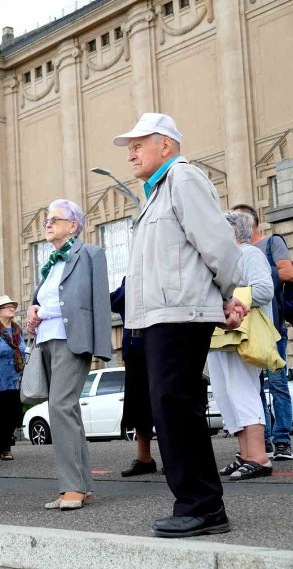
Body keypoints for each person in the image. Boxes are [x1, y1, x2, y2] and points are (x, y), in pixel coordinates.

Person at [113, 112, 245, 537]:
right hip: (160, 318)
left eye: (139, 143)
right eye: (129, 145)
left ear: (165, 146)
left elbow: (219, 244)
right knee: (169, 409)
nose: (130, 152)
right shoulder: (156, 193)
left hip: (181, 314)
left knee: (177, 407)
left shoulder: (183, 180)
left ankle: (203, 507)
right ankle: (195, 502)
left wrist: (230, 295)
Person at [27, 198, 111, 511]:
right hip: (47, 340)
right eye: (47, 220)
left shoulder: (90, 253)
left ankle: (72, 486)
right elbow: (43, 299)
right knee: (67, 410)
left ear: (73, 225)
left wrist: (101, 346)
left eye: (55, 219)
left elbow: (100, 301)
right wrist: (33, 309)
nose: (48, 224)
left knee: (61, 407)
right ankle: (81, 486)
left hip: (71, 339)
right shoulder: (49, 263)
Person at [208, 211, 274, 480]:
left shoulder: (249, 254)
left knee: (243, 391)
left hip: (242, 334)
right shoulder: (225, 259)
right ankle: (245, 455)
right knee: (226, 395)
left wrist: (228, 300)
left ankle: (259, 457)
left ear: (234, 231)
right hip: (221, 336)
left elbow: (263, 290)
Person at [231, 203, 293, 461]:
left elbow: (287, 272)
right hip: (245, 325)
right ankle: (262, 440)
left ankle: (281, 441)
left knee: (277, 383)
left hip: (271, 325)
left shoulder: (269, 244)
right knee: (252, 387)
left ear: (249, 222)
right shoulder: (233, 253)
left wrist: (259, 277)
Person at [110, 278, 157, 477]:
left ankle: (174, 457)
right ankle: (144, 457)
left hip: (159, 345)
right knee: (138, 406)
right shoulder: (131, 280)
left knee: (164, 404)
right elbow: (113, 301)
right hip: (135, 348)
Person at [0, 295, 26, 461]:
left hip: (15, 379)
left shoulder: (18, 330)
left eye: (12, 305)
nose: (12, 308)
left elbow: (24, 350)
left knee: (12, 416)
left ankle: (5, 446)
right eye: (7, 306)